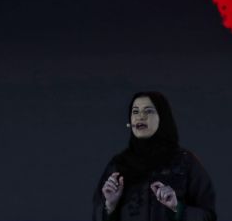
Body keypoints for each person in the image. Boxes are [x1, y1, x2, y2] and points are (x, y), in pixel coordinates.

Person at [92, 91, 217, 221]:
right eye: (135, 112)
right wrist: (109, 206)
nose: (140, 117)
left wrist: (177, 207)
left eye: (148, 111)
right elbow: (96, 215)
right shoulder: (118, 165)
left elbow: (208, 217)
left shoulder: (184, 162)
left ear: (162, 118)